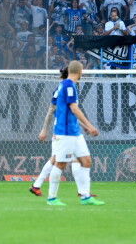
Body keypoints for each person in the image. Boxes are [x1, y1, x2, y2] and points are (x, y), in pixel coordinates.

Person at [29, 67, 96, 198]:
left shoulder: (66, 88)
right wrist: (44, 129)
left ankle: (82, 192)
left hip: (71, 130)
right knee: (58, 160)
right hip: (62, 132)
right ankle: (48, 192)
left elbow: (71, 112)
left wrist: (83, 126)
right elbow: (51, 110)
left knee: (70, 159)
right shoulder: (64, 88)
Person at [46, 61, 104, 206]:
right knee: (60, 164)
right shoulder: (68, 85)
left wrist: (83, 125)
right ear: (80, 71)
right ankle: (51, 198)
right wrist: (90, 126)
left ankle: (85, 196)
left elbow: (69, 110)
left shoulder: (66, 85)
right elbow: (74, 109)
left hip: (74, 131)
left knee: (86, 161)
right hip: (65, 132)